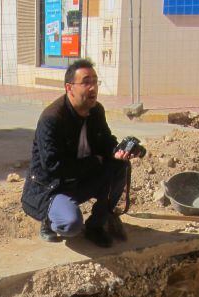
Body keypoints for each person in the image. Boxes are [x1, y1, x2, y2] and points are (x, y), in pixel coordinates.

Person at [21, 58, 142, 248]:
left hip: (82, 178)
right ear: (69, 88)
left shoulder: (96, 111)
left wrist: (118, 151)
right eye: (86, 82)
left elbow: (105, 142)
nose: (92, 87)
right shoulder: (52, 118)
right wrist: (96, 161)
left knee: (119, 167)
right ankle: (49, 220)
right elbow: (54, 167)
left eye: (95, 81)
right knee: (70, 225)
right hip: (53, 186)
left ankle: (96, 225)